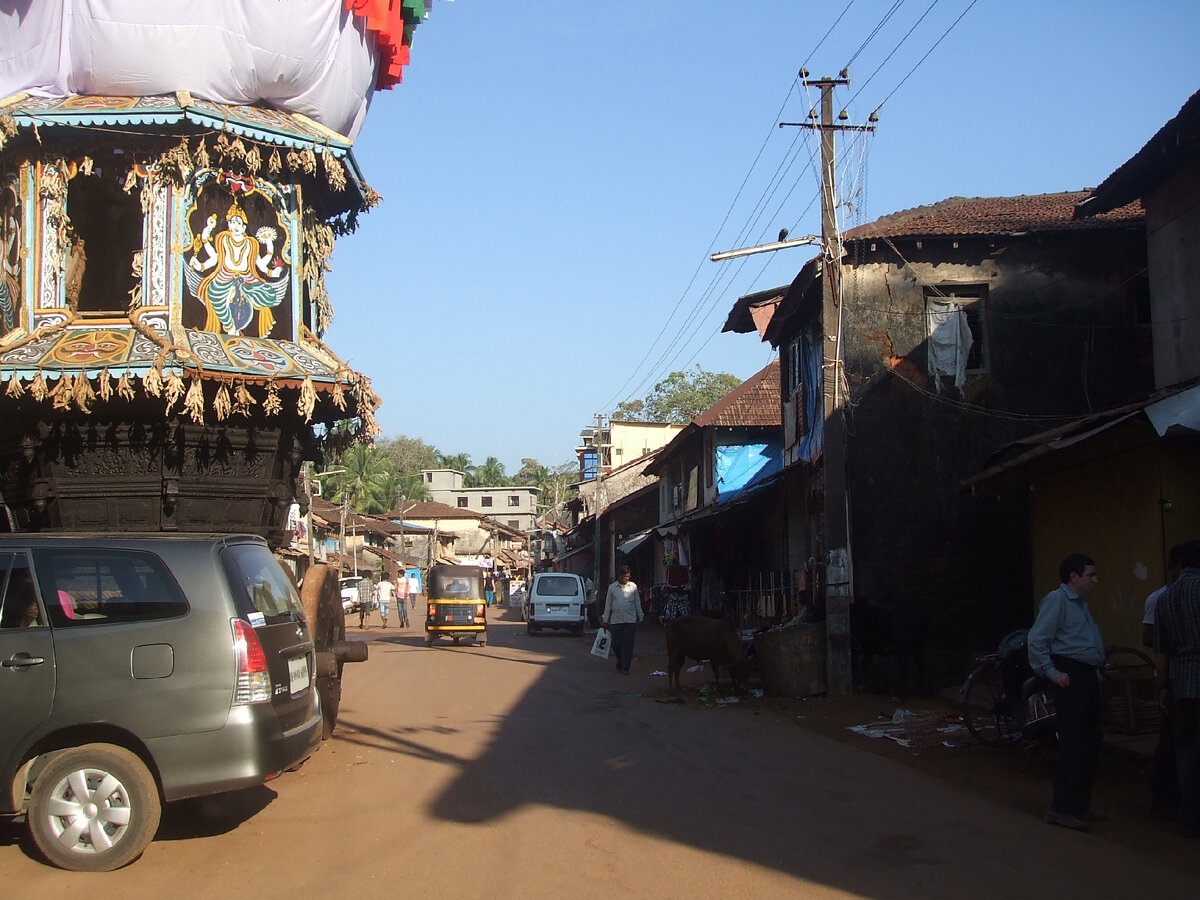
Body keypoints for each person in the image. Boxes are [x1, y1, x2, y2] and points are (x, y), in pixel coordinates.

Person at [1028, 552, 1106, 831]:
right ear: (1074, 577)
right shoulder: (1057, 600)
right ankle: (1061, 808)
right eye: (1090, 575)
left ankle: (1079, 805)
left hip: (1087, 675)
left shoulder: (1081, 604)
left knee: (1090, 740)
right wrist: (1052, 674)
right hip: (1071, 675)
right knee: (1073, 741)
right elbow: (1037, 640)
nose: (1095, 580)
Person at [1154, 539, 1200, 839]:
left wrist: (1164, 688)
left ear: (1178, 564)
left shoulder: (1165, 598)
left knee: (1188, 752)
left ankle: (1191, 819)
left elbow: (1162, 652)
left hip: (1183, 683)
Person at [1144, 543, 1186, 818]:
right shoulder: (1159, 598)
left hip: (1174, 678)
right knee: (1171, 739)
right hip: (1171, 677)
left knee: (1176, 740)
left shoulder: (1165, 597)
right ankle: (1164, 798)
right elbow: (1148, 638)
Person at [602, 565, 643, 675]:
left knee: (628, 644)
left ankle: (626, 667)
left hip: (630, 620)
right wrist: (605, 620)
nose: (627, 578)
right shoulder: (612, 588)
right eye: (625, 576)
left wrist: (641, 617)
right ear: (619, 576)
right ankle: (620, 659)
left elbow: (637, 603)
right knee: (616, 644)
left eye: (628, 576)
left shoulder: (633, 587)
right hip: (616, 621)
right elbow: (608, 605)